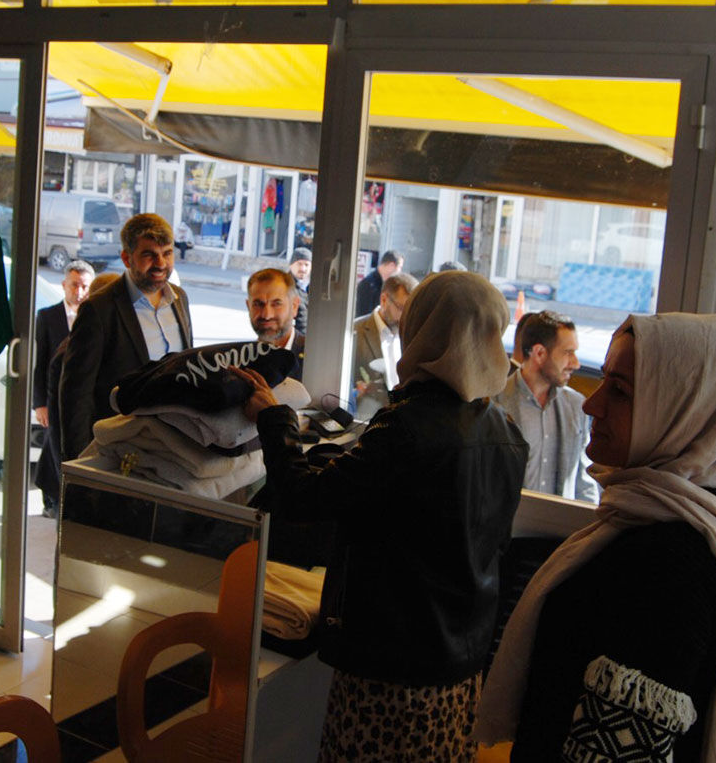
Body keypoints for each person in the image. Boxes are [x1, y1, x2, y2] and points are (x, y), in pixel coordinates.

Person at [235, 270, 526, 763]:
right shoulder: (505, 430)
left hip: (393, 671)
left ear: (423, 332)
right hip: (460, 665)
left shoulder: (407, 425)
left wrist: (273, 417)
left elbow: (303, 499)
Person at [476, 313, 716, 763]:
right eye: (605, 381)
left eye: (619, 391)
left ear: (689, 415)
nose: (592, 405)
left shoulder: (668, 566)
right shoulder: (653, 523)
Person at [58, 214, 193, 461]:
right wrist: (78, 463)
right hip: (118, 450)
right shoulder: (98, 309)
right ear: (126, 258)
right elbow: (75, 395)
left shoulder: (180, 299)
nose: (161, 263)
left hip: (172, 449)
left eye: (167, 253)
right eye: (149, 255)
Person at [495, 311, 596, 501]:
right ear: (540, 353)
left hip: (560, 520)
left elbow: (584, 483)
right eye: (568, 352)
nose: (576, 363)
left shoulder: (576, 406)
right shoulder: (495, 402)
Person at [32, 259, 94, 515]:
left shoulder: (95, 316)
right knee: (52, 448)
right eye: (74, 285)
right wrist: (40, 403)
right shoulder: (48, 317)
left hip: (81, 397)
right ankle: (50, 499)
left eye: (84, 286)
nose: (79, 291)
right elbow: (40, 362)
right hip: (54, 396)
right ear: (64, 285)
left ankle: (65, 500)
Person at [350, 271, 418, 420]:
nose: (406, 317)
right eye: (401, 308)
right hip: (365, 421)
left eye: (411, 311)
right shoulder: (354, 331)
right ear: (384, 299)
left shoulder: (412, 336)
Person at [245, 267, 306, 379]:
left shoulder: (315, 359)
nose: (267, 315)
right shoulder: (238, 361)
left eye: (276, 304)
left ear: (294, 307)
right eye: (258, 304)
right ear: (248, 307)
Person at [355, 249, 403, 316]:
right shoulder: (368, 285)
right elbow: (364, 316)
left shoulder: (382, 284)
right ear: (391, 265)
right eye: (400, 267)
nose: (400, 271)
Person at [288, 246, 311, 335]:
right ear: (291, 265)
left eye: (306, 265)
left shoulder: (316, 286)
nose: (303, 269)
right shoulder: (285, 287)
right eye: (299, 264)